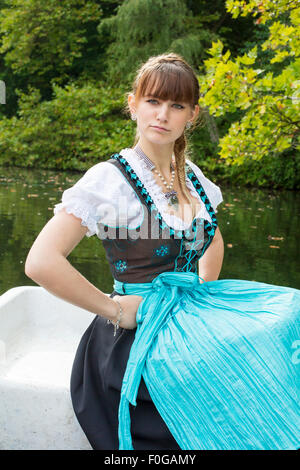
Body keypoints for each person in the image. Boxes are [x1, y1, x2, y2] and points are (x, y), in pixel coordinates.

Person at [25, 53, 300, 451]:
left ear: (192, 114)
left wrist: (204, 291)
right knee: (215, 379)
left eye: (177, 105)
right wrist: (115, 309)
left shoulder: (192, 176)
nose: (163, 115)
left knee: (289, 313)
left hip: (188, 312)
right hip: (135, 334)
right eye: (153, 101)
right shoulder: (109, 181)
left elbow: (213, 239)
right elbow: (41, 261)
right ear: (133, 104)